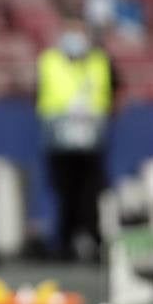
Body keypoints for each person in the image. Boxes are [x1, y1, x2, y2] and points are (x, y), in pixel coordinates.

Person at [36, 18, 113, 261]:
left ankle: (93, 242)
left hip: (91, 139)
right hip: (59, 139)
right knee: (64, 192)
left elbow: (107, 93)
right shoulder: (49, 61)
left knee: (90, 193)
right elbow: (44, 95)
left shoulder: (98, 62)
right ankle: (65, 244)